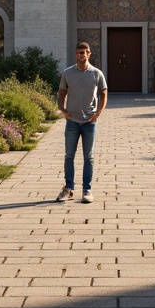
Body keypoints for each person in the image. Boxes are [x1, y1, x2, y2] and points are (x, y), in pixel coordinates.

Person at [56, 42, 107, 204]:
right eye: (79, 52)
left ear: (89, 54)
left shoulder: (96, 73)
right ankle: (69, 188)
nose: (82, 55)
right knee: (69, 156)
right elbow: (61, 92)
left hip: (89, 122)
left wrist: (98, 113)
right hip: (72, 121)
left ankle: (87, 190)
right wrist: (63, 110)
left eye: (84, 52)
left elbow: (103, 94)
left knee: (89, 157)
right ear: (75, 54)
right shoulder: (68, 73)